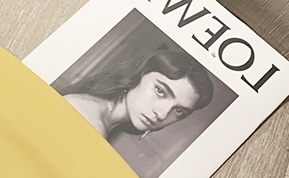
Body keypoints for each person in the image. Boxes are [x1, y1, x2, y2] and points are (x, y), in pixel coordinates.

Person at [62, 49, 214, 141]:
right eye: (160, 91)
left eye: (179, 111)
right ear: (141, 74)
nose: (162, 114)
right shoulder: (87, 120)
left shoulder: (102, 118)